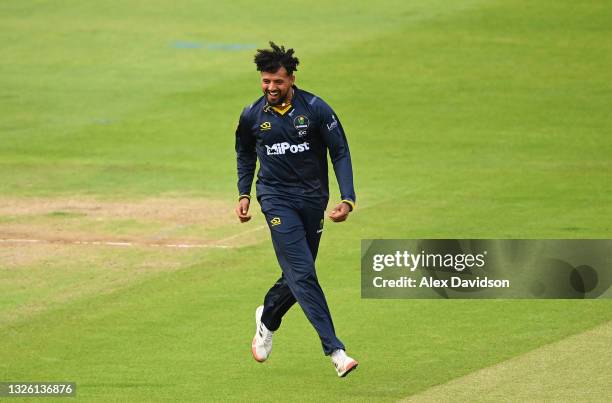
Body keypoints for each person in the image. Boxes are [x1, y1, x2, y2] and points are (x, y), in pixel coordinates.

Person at [234, 42, 358, 378]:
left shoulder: (316, 109)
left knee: (298, 274)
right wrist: (244, 192)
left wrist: (347, 198)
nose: (271, 88)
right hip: (275, 199)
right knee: (303, 273)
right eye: (265, 82)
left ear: (292, 79)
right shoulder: (252, 115)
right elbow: (245, 154)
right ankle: (335, 350)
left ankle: (268, 318)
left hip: (312, 200)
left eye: (277, 82)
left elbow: (340, 152)